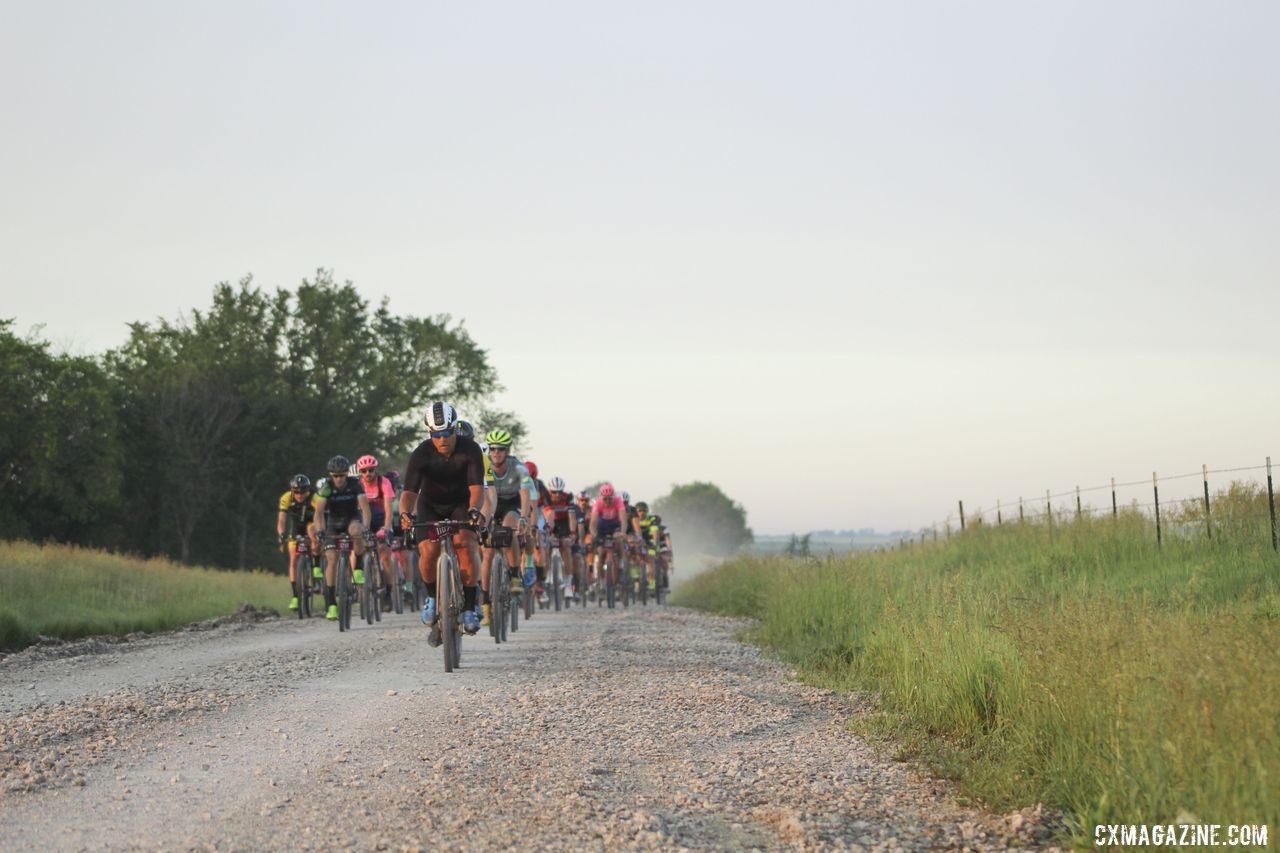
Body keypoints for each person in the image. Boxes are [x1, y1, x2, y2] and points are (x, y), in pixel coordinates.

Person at [398, 402, 486, 640]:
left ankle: (469, 606)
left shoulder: (470, 450)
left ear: (455, 429)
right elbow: (408, 494)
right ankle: (431, 596)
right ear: (430, 433)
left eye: (447, 432)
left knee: (466, 545)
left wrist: (475, 510)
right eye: (436, 434)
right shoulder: (421, 453)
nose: (442, 439)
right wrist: (405, 513)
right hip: (430, 506)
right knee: (428, 551)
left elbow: (477, 488)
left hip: (461, 503)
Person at [480, 429, 534, 609]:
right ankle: (486, 600)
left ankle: (514, 575)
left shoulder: (519, 468)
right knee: (487, 552)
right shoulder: (482, 466)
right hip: (490, 503)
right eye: (493, 449)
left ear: (507, 451)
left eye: (501, 449)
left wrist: (525, 517)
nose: (496, 453)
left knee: (508, 528)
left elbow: (525, 494)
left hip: (512, 503)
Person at [314, 455, 373, 621]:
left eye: (341, 475)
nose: (338, 479)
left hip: (351, 518)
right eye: (335, 476)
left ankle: (359, 567)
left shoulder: (355, 484)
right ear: (331, 475)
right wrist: (319, 530)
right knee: (331, 559)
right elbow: (319, 513)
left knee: (356, 531)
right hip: (334, 521)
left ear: (347, 474)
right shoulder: (327, 486)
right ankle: (331, 604)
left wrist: (366, 527)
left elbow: (365, 508)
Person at [356, 454, 397, 610]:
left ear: (375, 470)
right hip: (364, 519)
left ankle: (388, 591)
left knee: (384, 553)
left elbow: (388, 510)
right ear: (360, 472)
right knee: (356, 548)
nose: (368, 474)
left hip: (381, 520)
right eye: (364, 471)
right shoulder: (357, 485)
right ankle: (356, 582)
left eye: (371, 470)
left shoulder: (384, 483)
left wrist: (385, 529)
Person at [276, 474, 319, 611]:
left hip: (312, 522)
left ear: (308, 490)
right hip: (296, 527)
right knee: (293, 560)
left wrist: (320, 532)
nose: (300, 495)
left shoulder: (314, 497)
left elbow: (321, 514)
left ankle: (317, 571)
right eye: (297, 492)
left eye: (303, 492)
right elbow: (281, 520)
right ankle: (295, 596)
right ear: (292, 491)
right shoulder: (286, 498)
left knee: (313, 534)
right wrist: (281, 534)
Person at [543, 476, 578, 601]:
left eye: (559, 492)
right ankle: (544, 581)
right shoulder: (545, 496)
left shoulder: (568, 497)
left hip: (563, 523)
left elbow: (572, 518)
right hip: (549, 523)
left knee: (566, 548)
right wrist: (549, 533)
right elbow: (548, 516)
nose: (557, 495)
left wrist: (572, 533)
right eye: (554, 492)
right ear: (549, 491)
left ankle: (568, 583)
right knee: (545, 549)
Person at [590, 482, 628, 592]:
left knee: (619, 543)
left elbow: (623, 519)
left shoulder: (618, 501)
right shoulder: (597, 503)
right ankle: (600, 580)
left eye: (610, 498)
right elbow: (593, 522)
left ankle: (620, 568)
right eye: (605, 499)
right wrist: (594, 534)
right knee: (601, 552)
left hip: (615, 525)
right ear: (601, 498)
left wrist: (623, 532)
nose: (608, 501)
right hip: (602, 526)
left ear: (613, 497)